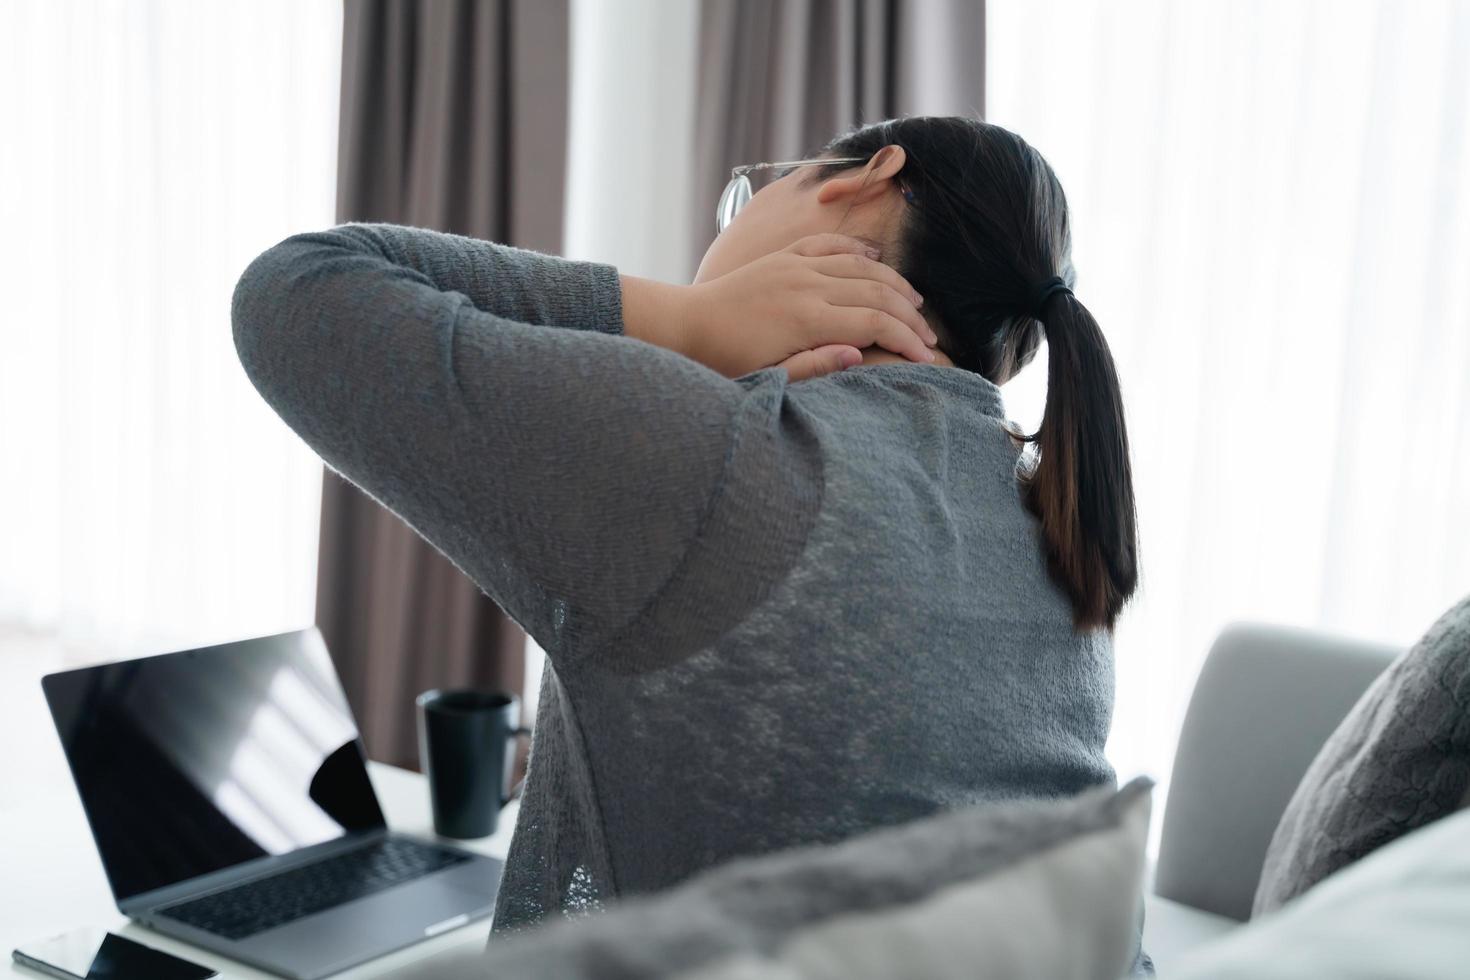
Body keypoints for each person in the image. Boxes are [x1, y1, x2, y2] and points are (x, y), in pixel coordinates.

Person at [231, 113, 1148, 973]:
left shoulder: (727, 456)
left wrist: (688, 322)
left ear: (870, 180)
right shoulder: (1055, 527)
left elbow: (297, 291)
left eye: (750, 193)